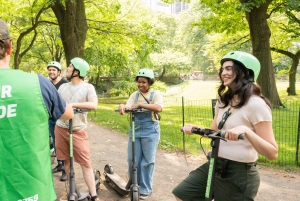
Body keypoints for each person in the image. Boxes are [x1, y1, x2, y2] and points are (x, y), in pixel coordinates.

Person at [172, 51, 278, 201]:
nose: (223, 73)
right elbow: (214, 131)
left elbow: (272, 153)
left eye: (229, 69)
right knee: (182, 194)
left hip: (239, 173)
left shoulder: (256, 104)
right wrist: (196, 128)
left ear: (246, 73)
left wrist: (246, 131)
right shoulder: (223, 101)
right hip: (216, 163)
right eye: (223, 69)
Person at [0, 19, 74, 201]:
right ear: (10, 47)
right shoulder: (38, 83)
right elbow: (67, 113)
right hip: (32, 190)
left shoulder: (52, 83)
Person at [55, 57, 100, 201]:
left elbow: (93, 105)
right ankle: (72, 191)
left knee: (86, 163)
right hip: (61, 128)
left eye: (69, 66)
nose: (67, 69)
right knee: (66, 161)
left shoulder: (88, 87)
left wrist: (72, 105)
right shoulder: (62, 87)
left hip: (78, 130)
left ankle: (94, 196)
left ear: (77, 71)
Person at [118, 68, 163, 200]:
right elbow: (128, 107)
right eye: (139, 82)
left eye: (144, 82)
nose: (141, 84)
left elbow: (159, 108)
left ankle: (145, 188)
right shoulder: (134, 95)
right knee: (133, 159)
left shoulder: (156, 94)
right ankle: (134, 185)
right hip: (135, 129)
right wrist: (122, 106)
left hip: (151, 130)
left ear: (150, 82)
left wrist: (140, 105)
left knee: (148, 161)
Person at [47, 61, 69, 181]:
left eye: (54, 70)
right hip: (51, 118)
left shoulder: (65, 84)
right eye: (50, 70)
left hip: (62, 118)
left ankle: (66, 170)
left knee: (63, 143)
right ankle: (60, 164)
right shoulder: (48, 84)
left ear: (59, 72)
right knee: (55, 142)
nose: (51, 72)